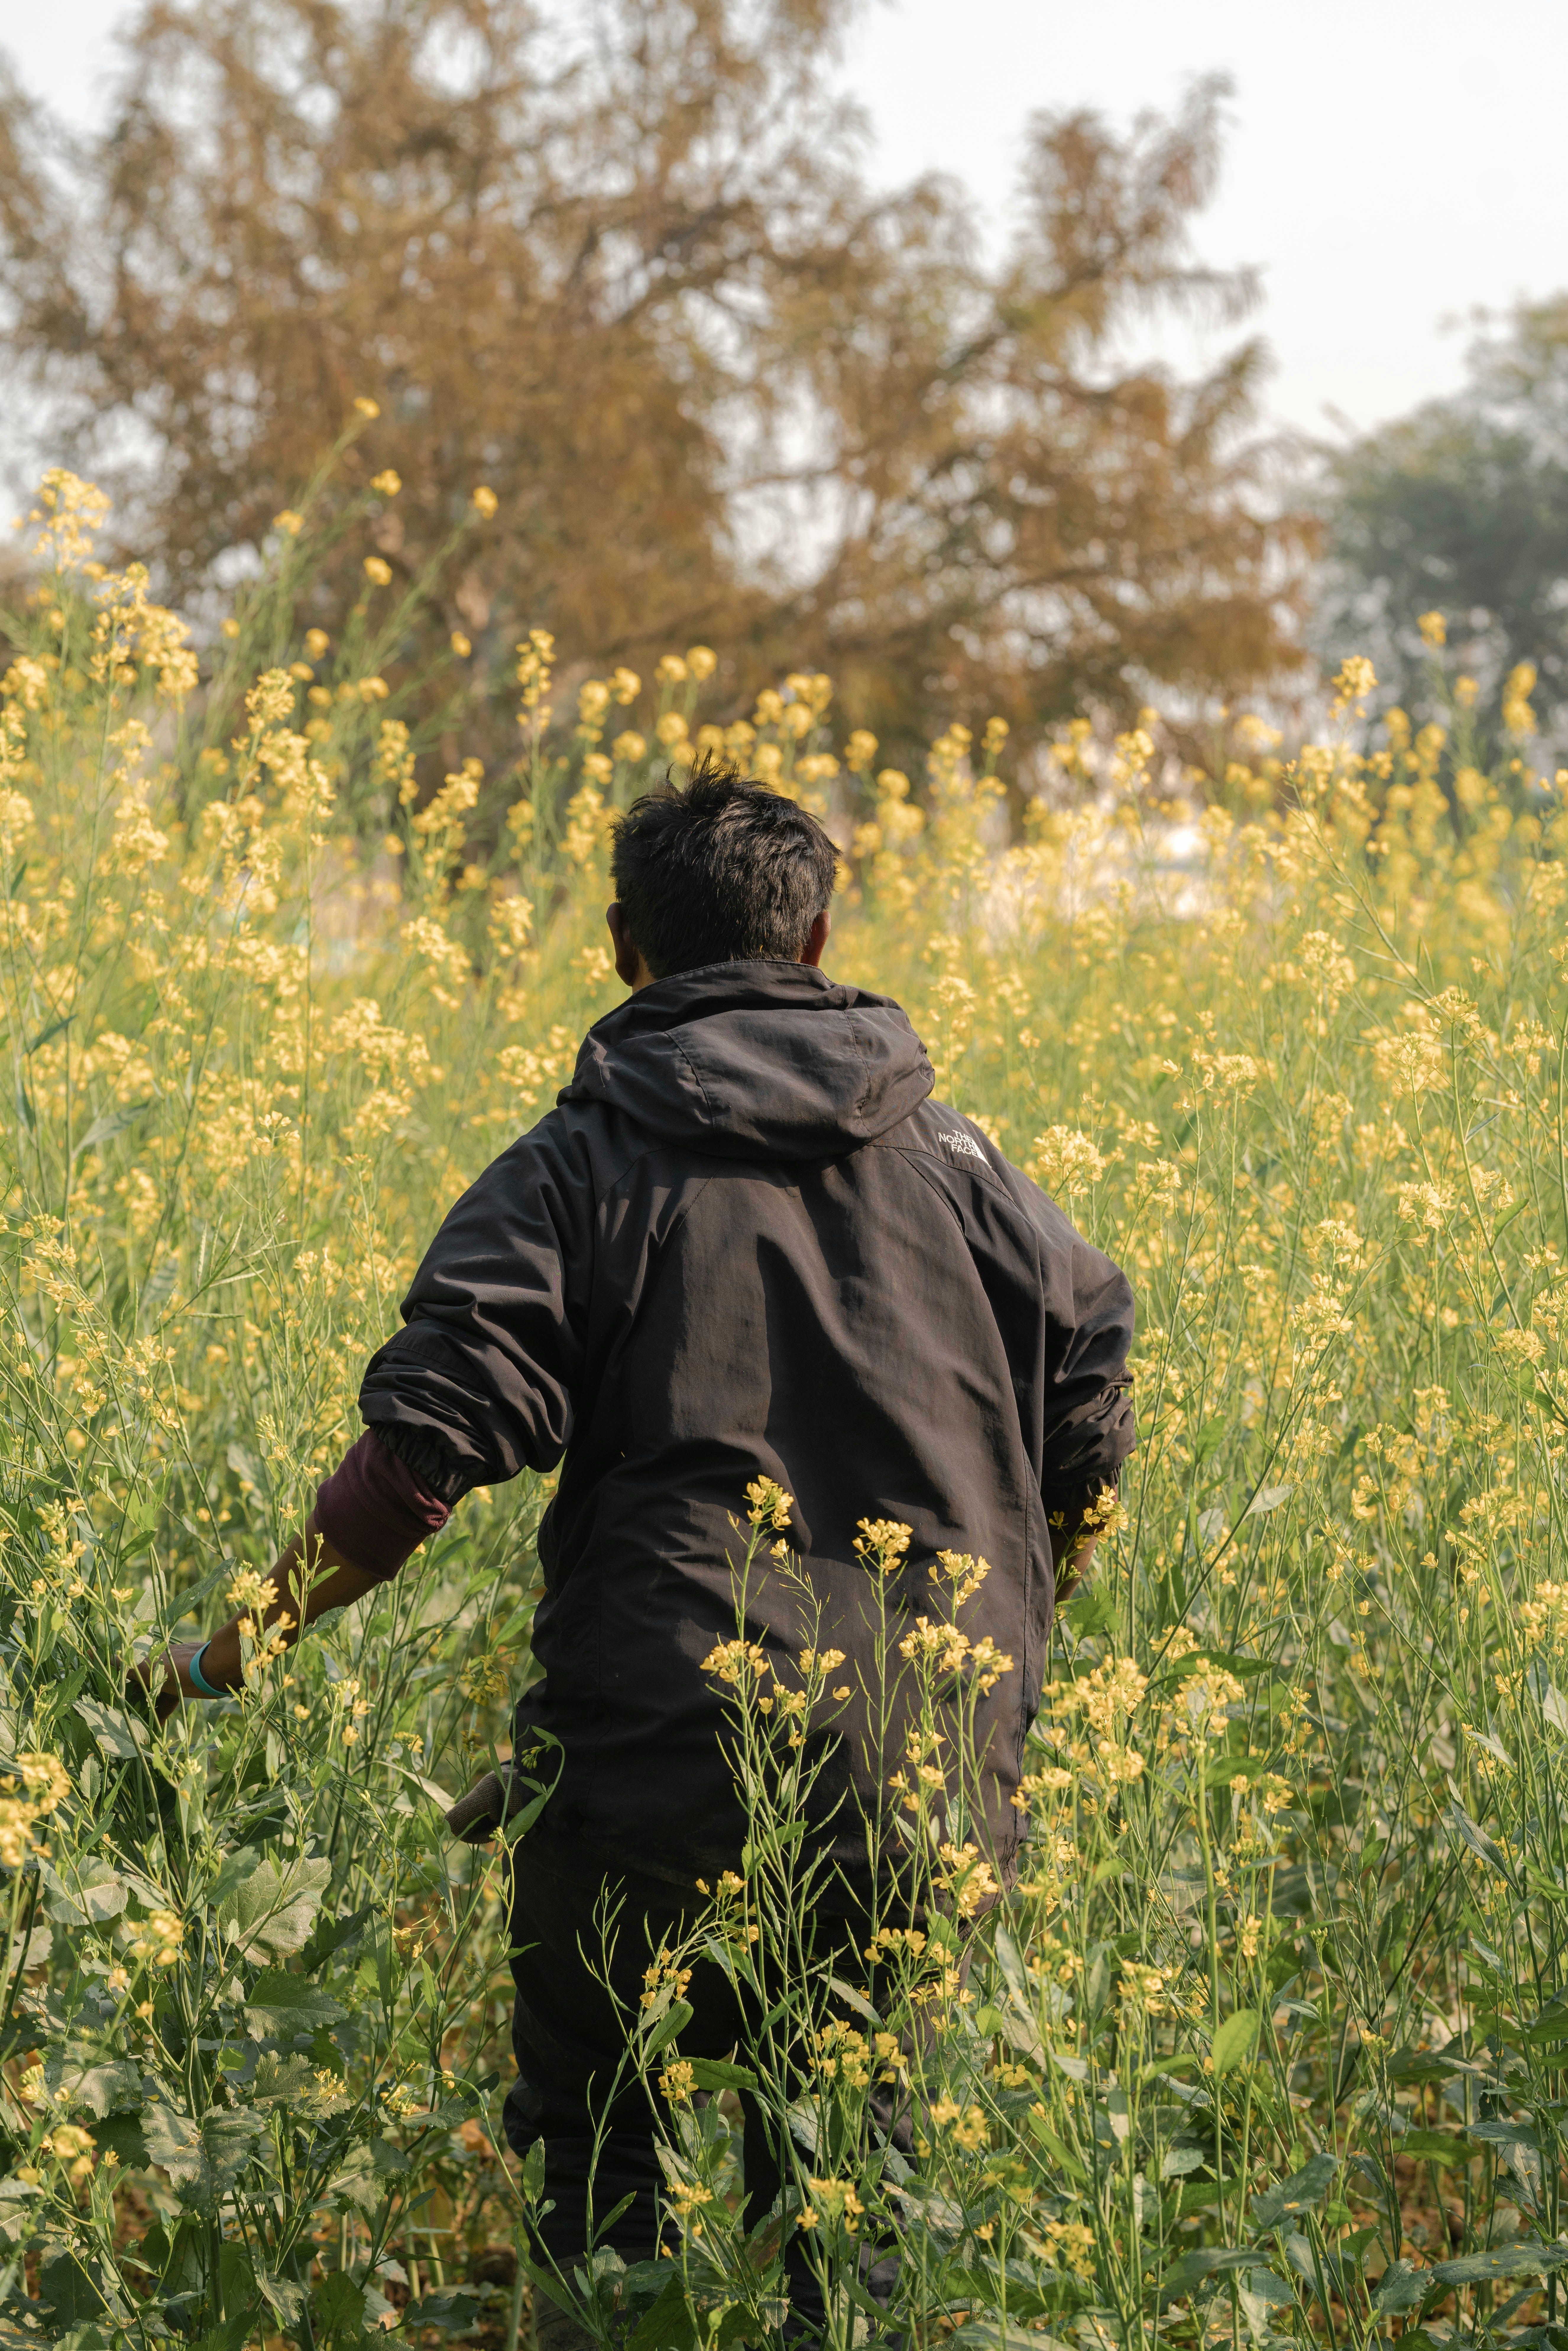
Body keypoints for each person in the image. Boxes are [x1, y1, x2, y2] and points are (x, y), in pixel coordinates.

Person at [144, 754, 1135, 2349]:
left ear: (622, 946)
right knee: (843, 2183)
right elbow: (1089, 1368)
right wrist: (1014, 1611)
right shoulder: (963, 1169)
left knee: (598, 2160)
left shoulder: (582, 1165)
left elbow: (422, 1455)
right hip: (919, 1742)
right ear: (816, 938)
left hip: (658, 1744)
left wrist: (234, 1645)